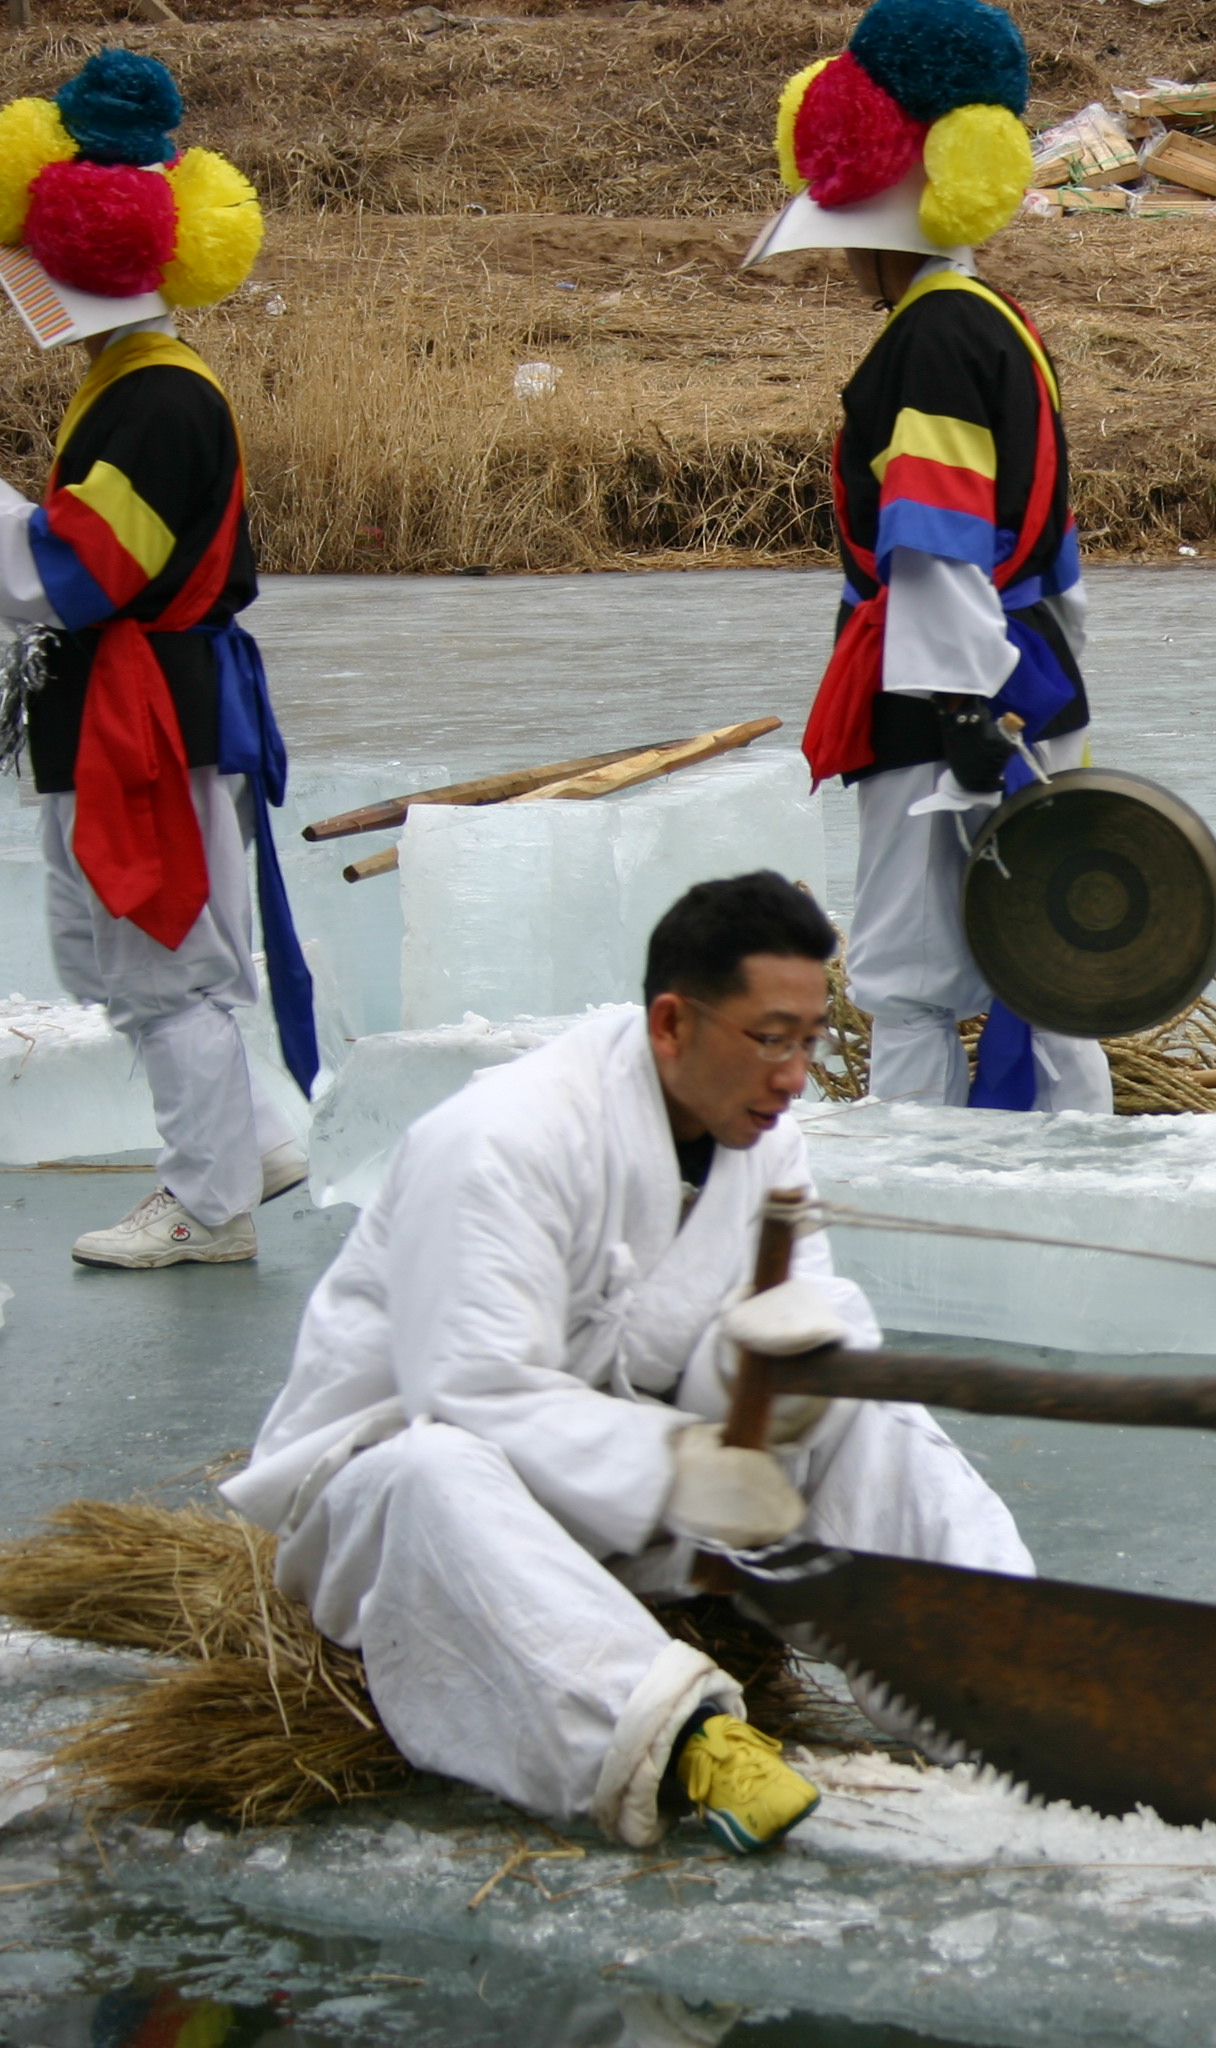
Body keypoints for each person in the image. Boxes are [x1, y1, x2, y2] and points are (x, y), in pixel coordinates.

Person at [220, 874, 1034, 1856]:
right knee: (430, 1470)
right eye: (771, 1036)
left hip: (644, 1502)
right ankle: (679, 1737)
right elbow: (474, 1389)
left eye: (809, 1040)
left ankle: (998, 1669)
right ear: (670, 1021)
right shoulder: (501, 1140)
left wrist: (785, 1375)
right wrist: (696, 1465)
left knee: (861, 1408)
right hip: (421, 1520)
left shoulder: (763, 1143)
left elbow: (776, 1323)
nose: (794, 1074)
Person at [766, 0, 1110, 1117]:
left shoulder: (932, 337)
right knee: (1046, 955)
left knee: (909, 981)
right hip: (1027, 672)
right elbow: (1047, 552)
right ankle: (1077, 1173)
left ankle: (914, 1189)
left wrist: (964, 714)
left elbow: (933, 540)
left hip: (942, 694)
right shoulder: (1000, 320)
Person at [0, 52, 314, 1268]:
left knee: (163, 954)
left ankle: (210, 1201)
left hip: (149, 717)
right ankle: (254, 1143)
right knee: (131, 954)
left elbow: (74, 576)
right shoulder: (131, 384)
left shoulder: (158, 400)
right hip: (135, 708)